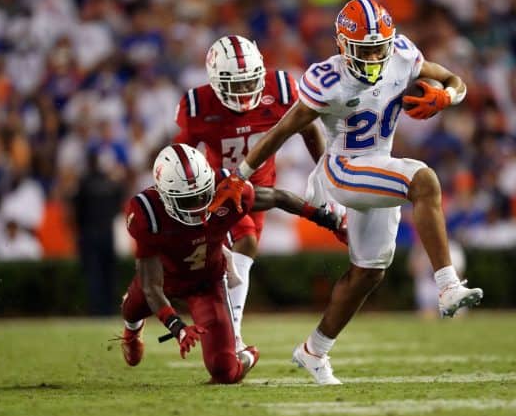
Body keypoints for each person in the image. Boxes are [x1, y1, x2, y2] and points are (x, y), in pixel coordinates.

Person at [211, 0, 484, 384]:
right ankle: (447, 286)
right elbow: (283, 130)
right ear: (343, 44)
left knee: (369, 272)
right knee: (424, 180)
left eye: (379, 46)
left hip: (378, 164)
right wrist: (241, 173)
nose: (374, 55)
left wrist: (447, 97)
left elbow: (455, 81)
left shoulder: (403, 55)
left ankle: (314, 351)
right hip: (343, 168)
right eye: (365, 48)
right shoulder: (328, 78)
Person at [119, 143, 345, 384]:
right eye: (188, 201)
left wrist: (327, 219)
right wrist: (178, 327)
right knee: (131, 309)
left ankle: (248, 355)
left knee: (225, 372)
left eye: (202, 195)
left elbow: (277, 198)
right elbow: (151, 286)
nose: (198, 206)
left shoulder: (226, 190)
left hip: (206, 282)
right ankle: (132, 332)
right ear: (164, 196)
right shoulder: (147, 213)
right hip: (165, 280)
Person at [173, 35, 334, 352]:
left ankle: (227, 331)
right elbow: (182, 153)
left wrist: (326, 172)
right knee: (241, 245)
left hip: (261, 185)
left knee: (244, 253)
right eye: (238, 84)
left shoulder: (282, 89)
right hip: (217, 187)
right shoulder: (199, 106)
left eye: (251, 83)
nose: (246, 91)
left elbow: (308, 128)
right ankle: (231, 334)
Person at [73, 150, 125, 316]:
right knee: (109, 272)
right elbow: (118, 204)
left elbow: (78, 211)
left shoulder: (84, 183)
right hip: (107, 233)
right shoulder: (110, 183)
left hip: (90, 233)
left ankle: (97, 309)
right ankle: (109, 308)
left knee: (94, 274)